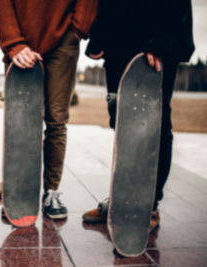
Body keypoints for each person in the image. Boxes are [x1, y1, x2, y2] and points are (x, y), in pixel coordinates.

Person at [82, 0, 195, 229]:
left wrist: (160, 41)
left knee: (156, 124)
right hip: (118, 39)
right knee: (121, 121)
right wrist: (99, 36)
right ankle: (123, 200)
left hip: (155, 39)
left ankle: (148, 205)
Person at [0, 0, 99, 220]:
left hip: (64, 39)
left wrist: (78, 28)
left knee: (57, 119)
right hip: (19, 38)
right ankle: (20, 191)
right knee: (20, 120)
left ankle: (51, 192)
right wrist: (13, 43)